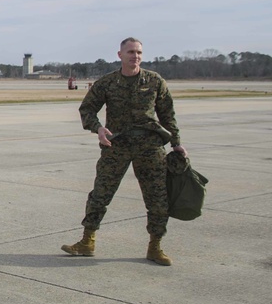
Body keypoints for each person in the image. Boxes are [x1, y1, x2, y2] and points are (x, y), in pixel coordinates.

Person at [61, 38, 188, 266]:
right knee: (100, 194)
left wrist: (176, 143)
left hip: (149, 147)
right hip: (116, 146)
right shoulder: (108, 83)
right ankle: (87, 241)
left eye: (139, 52)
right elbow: (87, 109)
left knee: (157, 198)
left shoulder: (154, 81)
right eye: (130, 52)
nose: (135, 56)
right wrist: (98, 128)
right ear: (120, 55)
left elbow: (168, 114)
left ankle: (155, 246)